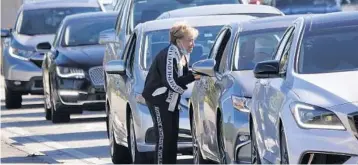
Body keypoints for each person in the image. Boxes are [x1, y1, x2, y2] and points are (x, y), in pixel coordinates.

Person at [142, 21, 200, 164]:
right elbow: (171, 81)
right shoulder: (170, 53)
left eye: (193, 40)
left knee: (172, 136)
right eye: (189, 40)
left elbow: (183, 76)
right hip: (158, 100)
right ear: (179, 41)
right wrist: (193, 77)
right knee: (164, 137)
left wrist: (197, 74)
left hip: (171, 101)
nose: (192, 44)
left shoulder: (184, 54)